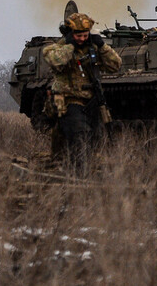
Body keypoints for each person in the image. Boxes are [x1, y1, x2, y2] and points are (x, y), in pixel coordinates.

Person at [42, 12, 122, 174]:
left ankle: (84, 171)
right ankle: (79, 176)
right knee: (79, 139)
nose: (82, 39)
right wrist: (70, 45)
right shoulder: (57, 48)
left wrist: (102, 47)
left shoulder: (93, 48)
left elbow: (115, 65)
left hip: (92, 103)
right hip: (69, 101)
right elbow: (56, 61)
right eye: (78, 35)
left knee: (95, 139)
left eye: (85, 35)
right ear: (70, 33)